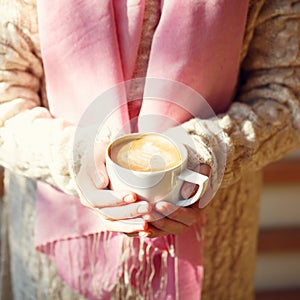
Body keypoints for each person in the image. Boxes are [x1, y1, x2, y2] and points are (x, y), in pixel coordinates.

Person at [0, 0, 300, 299]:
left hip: (214, 249)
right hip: (56, 266)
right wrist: (73, 157)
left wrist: (213, 150)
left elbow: (286, 96)